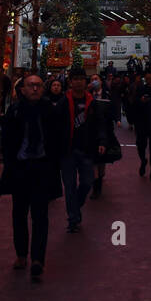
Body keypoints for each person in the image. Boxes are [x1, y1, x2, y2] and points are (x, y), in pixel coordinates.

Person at [0, 72, 63, 281]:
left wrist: (54, 165)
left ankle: (38, 259)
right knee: (19, 214)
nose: (34, 88)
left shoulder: (50, 112)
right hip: (21, 169)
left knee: (40, 216)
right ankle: (21, 254)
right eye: (30, 85)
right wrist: (11, 164)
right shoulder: (15, 111)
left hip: (42, 169)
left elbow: (56, 140)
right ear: (22, 90)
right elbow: (6, 141)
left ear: (42, 89)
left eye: (38, 85)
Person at [56, 68, 108, 232]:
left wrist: (101, 141)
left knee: (87, 182)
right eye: (75, 79)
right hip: (68, 151)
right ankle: (73, 218)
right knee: (70, 186)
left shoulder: (92, 102)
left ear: (85, 82)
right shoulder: (64, 102)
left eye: (81, 79)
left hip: (86, 150)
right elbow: (55, 126)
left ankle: (75, 207)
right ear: (70, 82)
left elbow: (100, 123)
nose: (78, 82)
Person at [129, 65, 151, 181]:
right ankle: (143, 160)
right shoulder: (140, 89)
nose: (149, 80)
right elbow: (134, 104)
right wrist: (141, 101)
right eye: (147, 78)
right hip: (141, 122)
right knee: (141, 144)